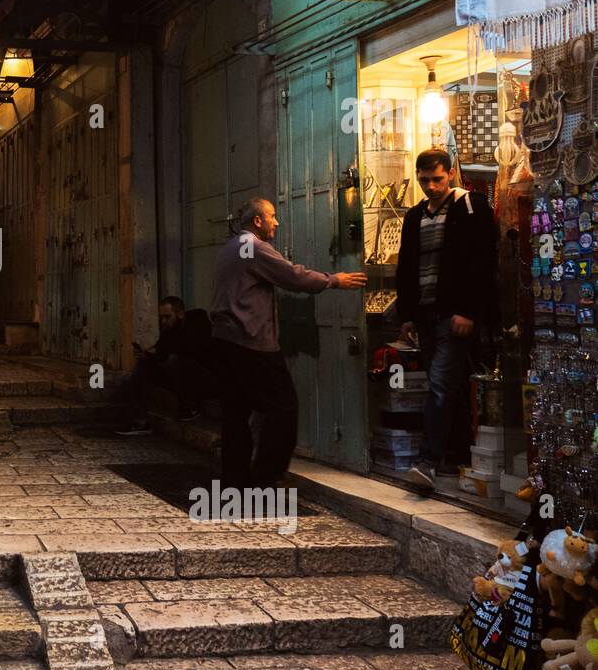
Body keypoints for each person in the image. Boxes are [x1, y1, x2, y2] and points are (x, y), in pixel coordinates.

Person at [210, 198, 366, 489]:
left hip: (226, 340)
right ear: (257, 221)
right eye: (272, 216)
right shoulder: (253, 247)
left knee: (236, 413)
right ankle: (266, 477)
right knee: (283, 407)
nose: (277, 222)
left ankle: (235, 479)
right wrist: (333, 280)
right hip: (249, 342)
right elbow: (292, 276)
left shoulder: (230, 247)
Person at [396, 148, 498, 491]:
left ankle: (427, 463)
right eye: (424, 180)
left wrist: (469, 311)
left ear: (450, 174)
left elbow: (482, 262)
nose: (431, 186)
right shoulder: (414, 216)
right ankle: (456, 457)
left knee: (440, 384)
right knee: (443, 386)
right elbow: (407, 267)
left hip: (453, 314)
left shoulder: (470, 207)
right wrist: (407, 315)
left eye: (437, 179)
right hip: (425, 314)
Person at [115, 297, 218, 435]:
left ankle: (192, 407)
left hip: (209, 380)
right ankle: (140, 421)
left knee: (174, 361)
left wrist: (159, 351)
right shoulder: (169, 329)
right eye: (161, 317)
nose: (163, 321)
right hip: (182, 379)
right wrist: (148, 354)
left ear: (180, 314)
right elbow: (162, 349)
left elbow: (189, 347)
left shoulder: (198, 322)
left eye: (167, 317)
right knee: (145, 365)